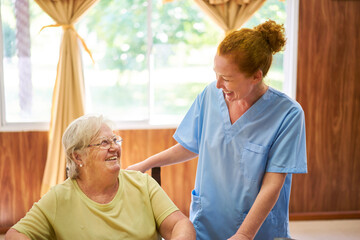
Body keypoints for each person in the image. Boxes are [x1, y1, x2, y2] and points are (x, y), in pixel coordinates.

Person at [127, 19, 307, 240]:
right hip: (207, 223)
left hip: (257, 231)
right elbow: (191, 146)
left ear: (256, 76)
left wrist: (244, 235)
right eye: (216, 74)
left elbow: (273, 184)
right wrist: (146, 163)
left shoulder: (288, 114)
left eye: (227, 78)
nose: (218, 84)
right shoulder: (210, 96)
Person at [5, 114, 196, 240]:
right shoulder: (59, 198)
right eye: (103, 142)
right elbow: (15, 234)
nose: (114, 147)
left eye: (115, 140)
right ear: (78, 156)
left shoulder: (142, 184)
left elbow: (179, 224)